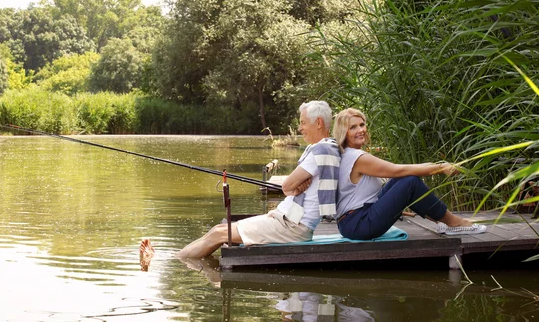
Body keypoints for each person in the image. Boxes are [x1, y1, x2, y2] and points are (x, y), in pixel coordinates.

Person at [176, 100, 341, 258]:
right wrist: (295, 187)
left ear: (318, 123)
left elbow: (286, 186)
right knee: (218, 230)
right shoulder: (326, 148)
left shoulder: (321, 150)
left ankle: (179, 262)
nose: (300, 128)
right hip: (286, 220)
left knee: (219, 234)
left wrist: (294, 186)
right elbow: (291, 188)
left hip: (292, 227)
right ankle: (178, 258)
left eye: (303, 123)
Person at [332, 108, 486, 240]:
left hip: (353, 222)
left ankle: (444, 222)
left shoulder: (349, 154)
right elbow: (398, 169)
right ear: (343, 133)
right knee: (409, 181)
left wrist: (440, 166)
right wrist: (441, 168)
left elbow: (400, 173)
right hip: (359, 224)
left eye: (362, 124)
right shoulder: (356, 158)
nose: (361, 130)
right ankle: (453, 222)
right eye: (353, 127)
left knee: (405, 180)